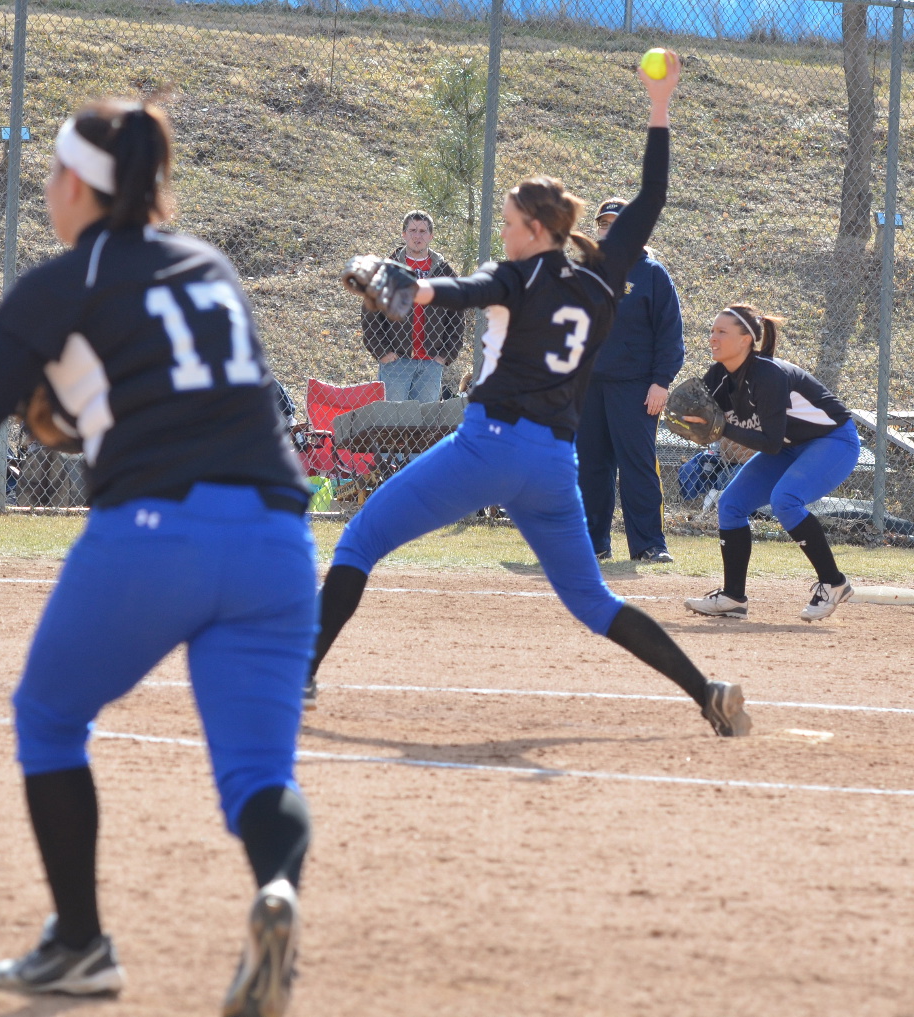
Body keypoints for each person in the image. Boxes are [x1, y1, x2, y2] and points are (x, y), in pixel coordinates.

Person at [0, 97, 316, 1016]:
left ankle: (80, 944)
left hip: (155, 535)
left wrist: (47, 381)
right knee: (260, 776)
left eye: (51, 176)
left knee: (49, 715)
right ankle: (277, 892)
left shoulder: (63, 279)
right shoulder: (211, 264)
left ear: (77, 183)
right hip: (278, 541)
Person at [306, 52, 752, 738]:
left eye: (513, 223)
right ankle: (706, 689)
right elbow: (653, 198)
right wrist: (659, 106)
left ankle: (299, 677)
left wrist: (381, 279)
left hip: (486, 447)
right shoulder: (603, 278)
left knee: (360, 541)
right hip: (551, 465)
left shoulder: (517, 277)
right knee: (593, 601)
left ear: (538, 230)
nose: (506, 233)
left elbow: (431, 293)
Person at [683, 304, 860, 622]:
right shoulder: (719, 377)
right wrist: (691, 422)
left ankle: (834, 583)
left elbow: (770, 442)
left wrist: (720, 426)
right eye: (712, 331)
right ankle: (733, 598)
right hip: (789, 447)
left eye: (722, 332)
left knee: (786, 500)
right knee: (732, 504)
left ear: (745, 340)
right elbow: (706, 423)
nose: (713, 338)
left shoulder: (769, 375)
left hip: (832, 441)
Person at [576, 198, 684, 563]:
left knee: (637, 465)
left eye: (617, 224)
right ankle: (594, 544)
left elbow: (670, 334)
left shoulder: (652, 274)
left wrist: (661, 382)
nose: (609, 230)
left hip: (636, 388)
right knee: (592, 466)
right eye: (603, 224)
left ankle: (649, 545)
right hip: (589, 386)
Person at [362, 210, 465, 402]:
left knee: (424, 425)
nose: (417, 236)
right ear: (403, 234)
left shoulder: (444, 272)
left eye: (423, 231)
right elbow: (370, 315)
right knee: (393, 423)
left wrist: (445, 355)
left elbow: (457, 317)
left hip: (431, 362)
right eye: (412, 230)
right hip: (396, 361)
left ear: (431, 236)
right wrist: (382, 352)